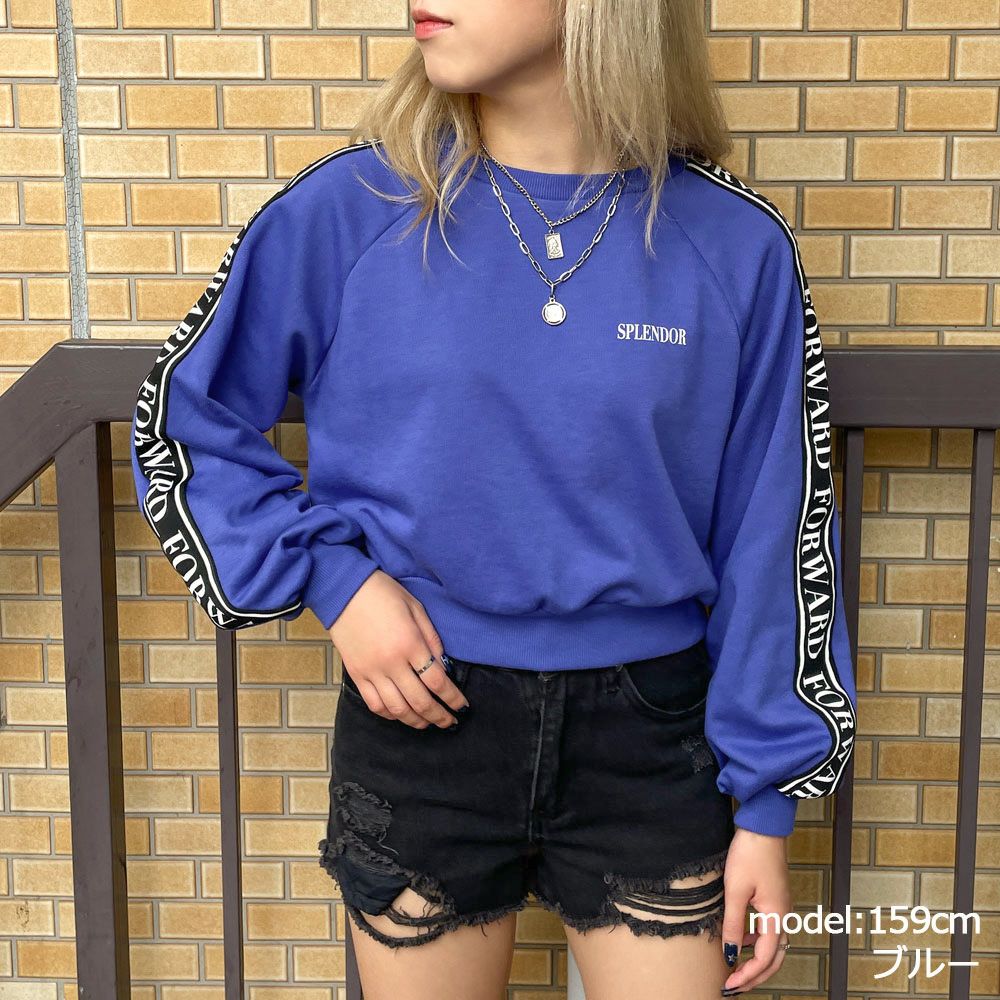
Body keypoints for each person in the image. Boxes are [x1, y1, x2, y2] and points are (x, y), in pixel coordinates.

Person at [129, 2, 858, 998]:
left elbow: (772, 531)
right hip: (423, 718)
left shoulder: (735, 244)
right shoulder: (349, 210)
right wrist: (335, 581)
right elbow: (185, 420)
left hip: (655, 743)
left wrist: (767, 808)